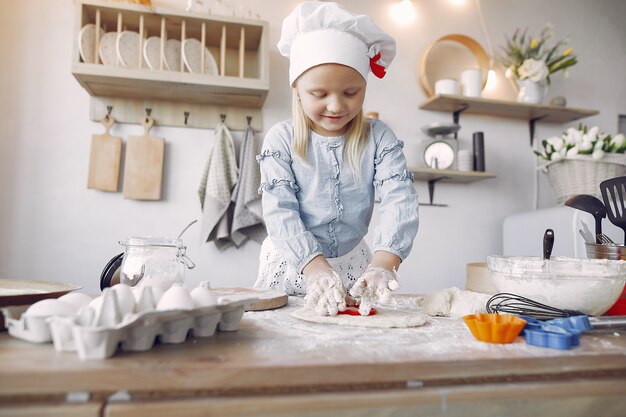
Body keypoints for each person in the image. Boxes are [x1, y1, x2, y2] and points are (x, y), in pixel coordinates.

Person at [254, 1, 419, 316]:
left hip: (356, 267)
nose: (335, 105)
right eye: (319, 94)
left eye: (351, 92)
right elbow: (280, 211)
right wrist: (315, 269)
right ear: (298, 89)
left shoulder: (379, 137)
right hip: (292, 264)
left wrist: (384, 265)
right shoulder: (281, 138)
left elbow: (400, 200)